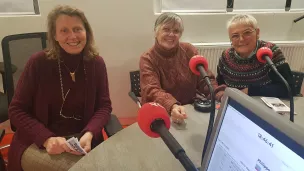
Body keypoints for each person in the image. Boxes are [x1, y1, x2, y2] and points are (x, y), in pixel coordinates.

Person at [8, 5, 112, 171]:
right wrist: (46, 139)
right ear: (55, 36)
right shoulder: (38, 63)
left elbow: (104, 106)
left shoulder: (96, 64)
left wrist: (90, 132)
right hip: (38, 142)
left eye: (78, 29)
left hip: (82, 140)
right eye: (64, 30)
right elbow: (16, 110)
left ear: (87, 32)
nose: (72, 36)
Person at [140, 12, 226, 124]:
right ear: (155, 32)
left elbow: (205, 81)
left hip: (188, 109)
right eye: (166, 29)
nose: (171, 34)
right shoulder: (147, 58)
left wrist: (220, 95)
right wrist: (172, 105)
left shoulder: (189, 50)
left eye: (176, 31)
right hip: (160, 112)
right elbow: (152, 90)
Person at [216, 14, 295, 98]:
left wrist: (250, 91)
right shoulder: (226, 56)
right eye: (235, 36)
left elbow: (288, 88)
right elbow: (220, 84)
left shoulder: (270, 52)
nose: (241, 39)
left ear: (257, 33)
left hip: (264, 105)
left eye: (247, 33)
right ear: (230, 39)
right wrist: (220, 93)